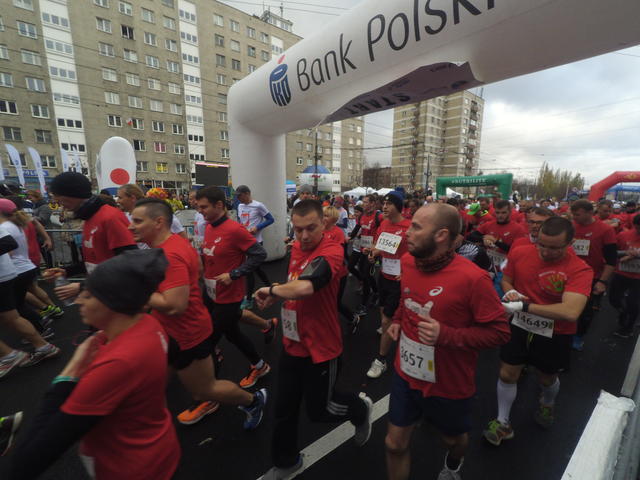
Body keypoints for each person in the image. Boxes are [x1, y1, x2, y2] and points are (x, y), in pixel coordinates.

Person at [10, 249, 182, 480]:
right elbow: (174, 353)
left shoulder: (117, 364)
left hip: (131, 469)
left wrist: (68, 374)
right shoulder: (149, 323)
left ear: (114, 304)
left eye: (89, 296)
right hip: (160, 448)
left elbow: (27, 462)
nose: (79, 300)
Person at [385, 204, 509, 480]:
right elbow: (407, 297)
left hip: (449, 383)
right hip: (406, 373)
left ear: (441, 235)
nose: (407, 232)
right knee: (394, 444)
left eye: (416, 227)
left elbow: (500, 332)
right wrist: (397, 319)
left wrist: (446, 335)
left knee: (453, 441)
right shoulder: (408, 261)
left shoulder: (473, 278)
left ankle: (453, 463)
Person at [254, 199, 373, 480]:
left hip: (321, 347)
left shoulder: (332, 251)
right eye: (298, 230)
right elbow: (296, 281)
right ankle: (286, 463)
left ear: (324, 224)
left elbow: (308, 286)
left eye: (311, 228)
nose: (304, 236)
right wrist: (279, 291)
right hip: (292, 343)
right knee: (284, 409)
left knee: (320, 411)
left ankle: (359, 409)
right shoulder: (297, 248)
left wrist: (272, 289)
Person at [129, 198, 267, 427]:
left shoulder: (170, 254)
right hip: (179, 324)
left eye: (137, 221)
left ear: (158, 222)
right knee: (153, 382)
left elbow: (175, 305)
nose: (130, 226)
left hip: (189, 331)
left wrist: (234, 274)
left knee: (205, 388)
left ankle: (253, 399)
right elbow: (201, 265)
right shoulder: (179, 241)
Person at [483, 217, 593, 446]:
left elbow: (570, 311)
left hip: (555, 332)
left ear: (570, 243)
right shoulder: (520, 253)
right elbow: (507, 280)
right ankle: (503, 422)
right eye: (541, 244)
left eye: (554, 248)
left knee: (547, 377)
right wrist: (511, 292)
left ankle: (547, 403)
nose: (545, 251)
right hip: (520, 324)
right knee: (507, 373)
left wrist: (524, 307)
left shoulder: (580, 269)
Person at [195, 187, 271, 388]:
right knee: (232, 334)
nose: (200, 211)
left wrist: (234, 274)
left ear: (219, 205)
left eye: (204, 207)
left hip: (229, 296)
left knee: (206, 341)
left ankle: (208, 392)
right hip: (211, 292)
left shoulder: (235, 230)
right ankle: (260, 365)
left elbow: (259, 255)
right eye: (198, 207)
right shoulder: (209, 227)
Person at [45, 172, 137, 300]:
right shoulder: (89, 218)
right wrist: (67, 271)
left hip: (118, 296)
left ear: (72, 195)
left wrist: (83, 286)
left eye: (59, 198)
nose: (59, 204)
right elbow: (96, 261)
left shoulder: (110, 217)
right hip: (102, 293)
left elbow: (130, 261)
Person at [365, 191, 411, 379]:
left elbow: (417, 252)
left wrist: (408, 271)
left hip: (400, 280)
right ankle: (391, 328)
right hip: (384, 275)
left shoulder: (408, 226)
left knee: (386, 320)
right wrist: (373, 253)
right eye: (383, 203)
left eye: (389, 204)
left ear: (398, 207)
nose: (384, 207)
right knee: (383, 313)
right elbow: (378, 245)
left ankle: (381, 360)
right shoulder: (383, 224)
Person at [570, 199, 617, 351]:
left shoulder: (605, 230)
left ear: (590, 213)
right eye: (573, 214)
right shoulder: (570, 227)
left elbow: (611, 259)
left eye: (577, 214)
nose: (574, 217)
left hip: (592, 275)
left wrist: (602, 281)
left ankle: (578, 336)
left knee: (585, 310)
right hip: (569, 273)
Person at [235, 185, 274, 309]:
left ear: (247, 193)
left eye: (240, 196)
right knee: (256, 269)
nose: (238, 198)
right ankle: (271, 288)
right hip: (244, 241)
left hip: (256, 242)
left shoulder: (258, 206)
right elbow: (240, 221)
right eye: (237, 196)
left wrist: (257, 227)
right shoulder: (240, 206)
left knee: (249, 271)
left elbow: (271, 219)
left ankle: (248, 300)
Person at [116, 184, 188, 242]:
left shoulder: (159, 213)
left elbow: (183, 238)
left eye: (120, 198)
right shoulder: (125, 216)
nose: (117, 201)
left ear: (133, 198)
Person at [609, 213, 640, 337]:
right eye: (638, 228)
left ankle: (628, 327)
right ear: (635, 225)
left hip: (638, 278)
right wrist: (625, 254)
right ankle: (623, 312)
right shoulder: (623, 235)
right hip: (621, 273)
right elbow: (611, 252)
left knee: (633, 302)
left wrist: (635, 255)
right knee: (614, 299)